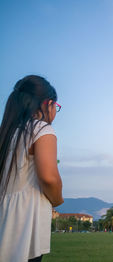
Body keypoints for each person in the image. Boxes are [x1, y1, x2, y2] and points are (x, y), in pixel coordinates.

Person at [0, 75, 64, 261]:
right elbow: (49, 177)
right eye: (56, 107)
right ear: (47, 104)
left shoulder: (7, 134)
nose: (54, 112)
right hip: (25, 220)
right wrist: (57, 199)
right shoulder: (41, 129)